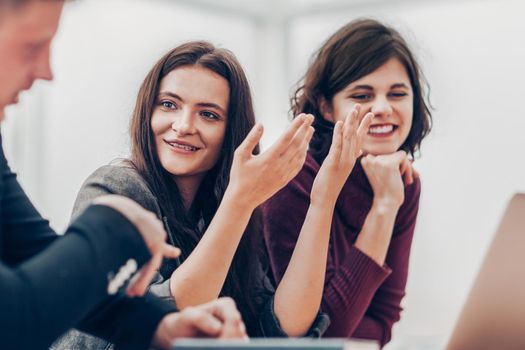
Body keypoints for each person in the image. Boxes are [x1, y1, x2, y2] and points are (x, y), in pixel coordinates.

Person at [53, 39, 376, 348]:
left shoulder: (225, 207)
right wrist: (240, 201)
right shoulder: (114, 188)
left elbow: (283, 328)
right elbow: (159, 323)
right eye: (168, 105)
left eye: (208, 114)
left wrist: (324, 198)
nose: (183, 125)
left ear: (230, 130)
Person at [0, 1, 246, 349]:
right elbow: (13, 317)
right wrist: (112, 225)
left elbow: (35, 252)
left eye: (208, 114)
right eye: (33, 46)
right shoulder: (119, 185)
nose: (46, 70)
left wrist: (162, 327)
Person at [262, 18, 432, 347]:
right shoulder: (293, 178)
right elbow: (322, 335)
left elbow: (381, 326)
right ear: (326, 107)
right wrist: (383, 208)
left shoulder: (404, 184)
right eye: (362, 95)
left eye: (397, 93)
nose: (382, 108)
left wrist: (390, 198)